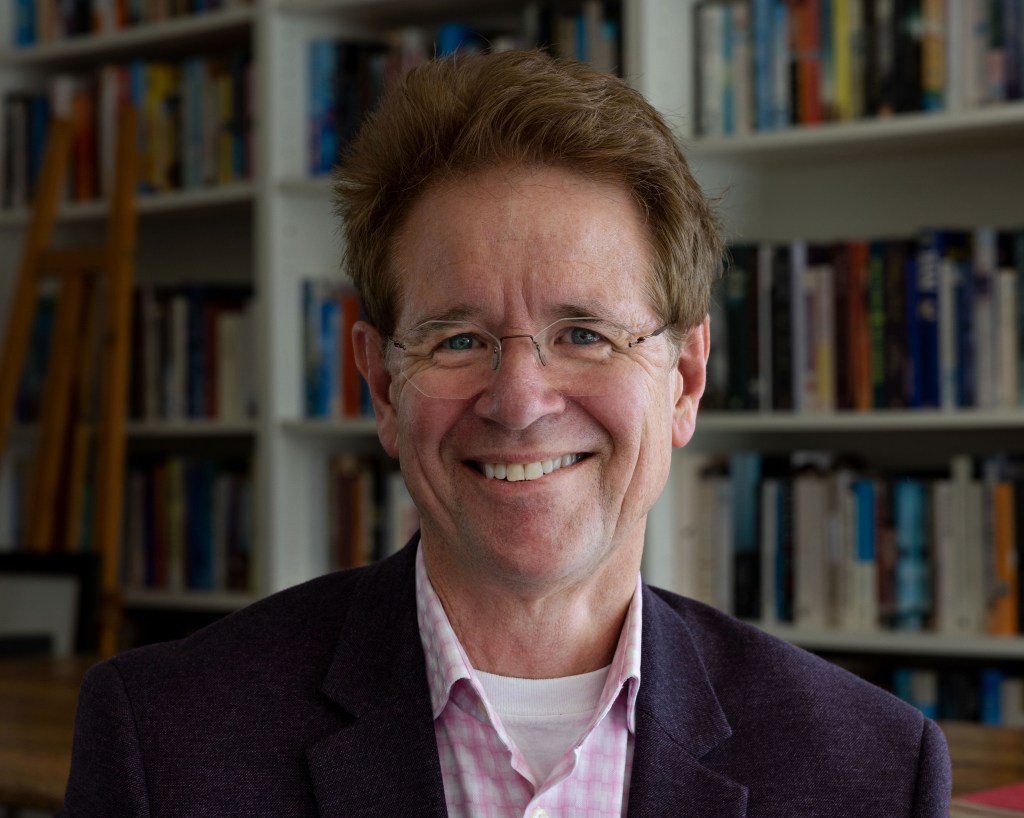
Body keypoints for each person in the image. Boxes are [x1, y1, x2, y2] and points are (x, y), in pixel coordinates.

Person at [62, 50, 951, 817]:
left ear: (684, 379)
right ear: (382, 383)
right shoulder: (163, 743)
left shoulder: (871, 771)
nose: (519, 400)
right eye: (458, 339)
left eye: (585, 334)